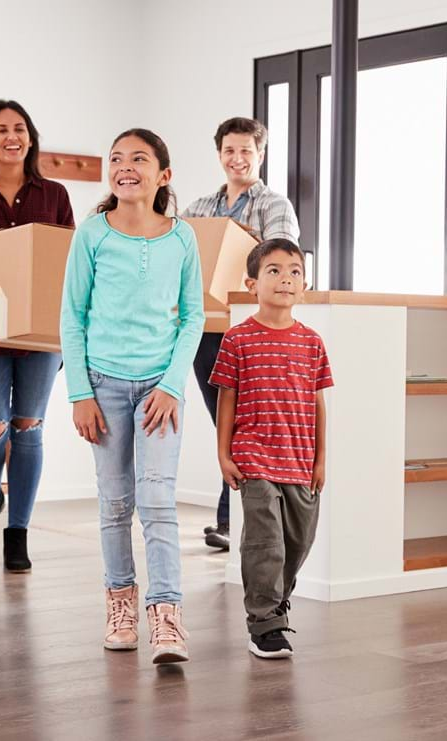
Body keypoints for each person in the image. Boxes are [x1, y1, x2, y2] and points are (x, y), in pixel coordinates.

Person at [60, 129, 204, 664]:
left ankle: (166, 618)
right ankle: (120, 606)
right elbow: (71, 317)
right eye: (116, 159)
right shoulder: (92, 234)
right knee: (115, 503)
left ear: (162, 175)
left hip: (160, 391)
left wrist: (170, 385)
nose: (124, 166)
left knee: (158, 500)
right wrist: (80, 392)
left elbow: (193, 318)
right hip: (104, 386)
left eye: (138, 159)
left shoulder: (182, 237)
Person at [209, 239, 333, 659]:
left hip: (300, 460)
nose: (285, 279)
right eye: (274, 270)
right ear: (252, 283)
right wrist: (224, 454)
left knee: (298, 540)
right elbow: (227, 398)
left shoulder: (313, 343)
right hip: (254, 455)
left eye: (294, 271)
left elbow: (318, 404)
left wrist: (320, 459)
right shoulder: (237, 339)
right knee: (266, 543)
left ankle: (277, 601)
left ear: (305, 285)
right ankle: (265, 624)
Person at [183, 117, 300, 550]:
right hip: (208, 329)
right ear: (219, 155)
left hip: (253, 329)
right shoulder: (198, 208)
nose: (237, 159)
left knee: (246, 423)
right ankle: (237, 519)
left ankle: (233, 521)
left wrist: (246, 243)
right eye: (229, 151)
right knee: (227, 423)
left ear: (260, 154)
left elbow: (283, 261)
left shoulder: (274, 206)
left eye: (246, 151)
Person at [0, 100, 74, 572]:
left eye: (20, 129)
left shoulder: (53, 193)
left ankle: (18, 532)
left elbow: (67, 261)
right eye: (1, 129)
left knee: (27, 427)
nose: (12, 136)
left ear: (30, 138)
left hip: (40, 337)